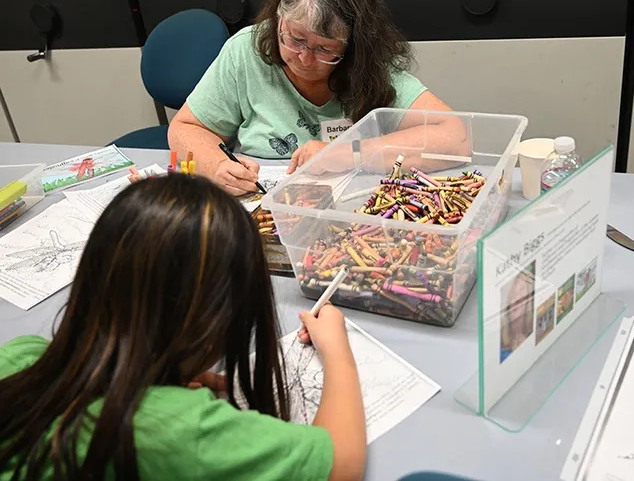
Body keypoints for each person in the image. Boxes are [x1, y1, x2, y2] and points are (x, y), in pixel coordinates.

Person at [0, 175, 366, 480]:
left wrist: (158, 379)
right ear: (213, 325)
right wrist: (337, 352)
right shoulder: (183, 432)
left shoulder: (20, 356)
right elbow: (342, 464)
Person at [168, 0, 467, 197]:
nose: (304, 58)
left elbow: (456, 138)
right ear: (278, 20)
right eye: (294, 39)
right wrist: (216, 165)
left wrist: (351, 154)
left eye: (324, 49)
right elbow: (186, 128)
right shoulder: (245, 50)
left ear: (353, 46)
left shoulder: (370, 66)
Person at [499, 268, 535, 363]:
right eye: (513, 291)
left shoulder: (535, 328)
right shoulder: (497, 341)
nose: (517, 296)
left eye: (522, 289)